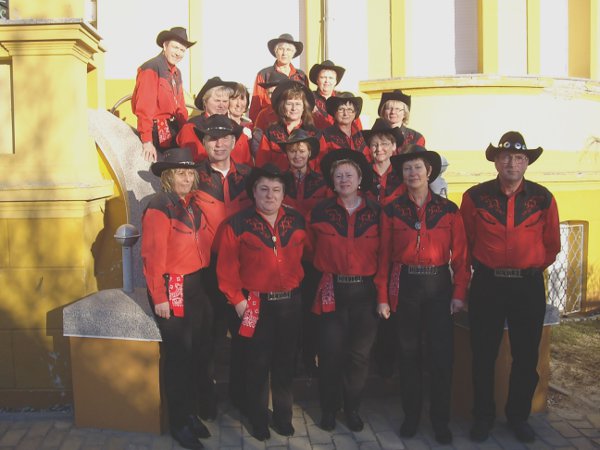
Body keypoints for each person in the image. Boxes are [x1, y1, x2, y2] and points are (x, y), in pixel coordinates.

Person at [460, 131, 560, 444]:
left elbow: (552, 245)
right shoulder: (474, 197)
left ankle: (518, 416)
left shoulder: (543, 198)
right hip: (487, 284)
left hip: (527, 286)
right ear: (496, 161)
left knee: (526, 357)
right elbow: (465, 242)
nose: (512, 163)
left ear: (527, 162)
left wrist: (528, 267)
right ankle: (483, 416)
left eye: (519, 158)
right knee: (483, 354)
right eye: (506, 157)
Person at [377, 145, 470, 444]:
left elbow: (461, 257)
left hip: (438, 285)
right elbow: (383, 256)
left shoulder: (449, 210)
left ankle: (440, 420)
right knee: (408, 353)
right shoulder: (391, 210)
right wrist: (382, 296)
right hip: (405, 283)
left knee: (441, 355)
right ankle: (411, 416)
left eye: (418, 167)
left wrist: (459, 292)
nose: (413, 173)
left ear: (429, 172)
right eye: (407, 169)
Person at [216, 164, 307, 441]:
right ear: (253, 192)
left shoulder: (297, 221)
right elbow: (226, 269)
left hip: (290, 303)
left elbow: (309, 255)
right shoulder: (237, 224)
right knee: (256, 364)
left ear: (284, 194)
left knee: (284, 363)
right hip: (255, 305)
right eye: (264, 189)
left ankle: (283, 417)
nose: (270, 195)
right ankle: (257, 419)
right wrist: (238, 302)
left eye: (276, 190)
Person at [308, 149, 388, 432]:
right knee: (330, 353)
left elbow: (384, 256)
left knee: (358, 356)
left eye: (349, 175)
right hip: (332, 289)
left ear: (360, 179)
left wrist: (382, 297)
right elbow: (309, 249)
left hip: (365, 292)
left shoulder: (377, 212)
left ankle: (352, 408)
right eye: (339, 175)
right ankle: (329, 409)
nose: (344, 180)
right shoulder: (320, 211)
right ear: (332, 181)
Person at [141, 147, 213, 450]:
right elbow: (152, 255)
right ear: (168, 176)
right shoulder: (160, 206)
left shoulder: (192, 205)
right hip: (173, 287)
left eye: (189, 173)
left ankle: (191, 412)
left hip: (196, 285)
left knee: (196, 353)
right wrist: (159, 296)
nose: (186, 178)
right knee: (179, 356)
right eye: (180, 173)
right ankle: (179, 422)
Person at [191, 114, 253, 413]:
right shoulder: (192, 176)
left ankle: (242, 397)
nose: (219, 144)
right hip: (205, 269)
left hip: (244, 268)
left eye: (225, 138)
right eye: (212, 138)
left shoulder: (250, 177)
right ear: (203, 143)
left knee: (244, 335)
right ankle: (206, 399)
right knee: (207, 337)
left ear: (234, 142)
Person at [278, 129, 330, 376]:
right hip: (285, 256)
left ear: (310, 153)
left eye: (302, 150)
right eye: (292, 150)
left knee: (311, 310)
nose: (297, 155)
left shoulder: (323, 182)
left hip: (313, 256)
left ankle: (310, 358)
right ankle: (288, 360)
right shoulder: (278, 180)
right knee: (288, 313)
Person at [132, 27, 195, 163]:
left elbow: (181, 107)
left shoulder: (177, 73)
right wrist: (147, 141)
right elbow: (144, 107)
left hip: (174, 129)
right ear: (165, 46)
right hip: (156, 131)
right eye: (175, 47)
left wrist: (187, 132)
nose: (178, 53)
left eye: (182, 50)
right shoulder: (151, 68)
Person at [177, 77, 253, 166]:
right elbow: (194, 161)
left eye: (225, 101)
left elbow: (246, 161)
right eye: (217, 101)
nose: (221, 105)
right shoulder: (192, 127)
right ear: (205, 102)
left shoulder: (234, 127)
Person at [256, 80, 323, 172]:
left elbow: (320, 166)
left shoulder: (315, 134)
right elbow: (261, 164)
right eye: (289, 104)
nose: (294, 108)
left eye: (298, 104)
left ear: (304, 107)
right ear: (282, 106)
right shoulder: (270, 133)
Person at [249, 33, 308, 121]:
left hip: (295, 123)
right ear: (275, 51)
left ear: (293, 53)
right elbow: (255, 105)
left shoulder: (301, 76)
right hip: (269, 121)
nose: (284, 53)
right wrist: (258, 125)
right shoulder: (264, 74)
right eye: (281, 49)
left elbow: (306, 103)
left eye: (288, 49)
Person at [322, 92, 367, 157]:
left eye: (349, 109)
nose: (345, 113)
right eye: (341, 109)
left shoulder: (361, 136)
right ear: (334, 112)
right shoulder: (325, 136)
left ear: (355, 113)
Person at [308, 60, 346, 129]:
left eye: (331, 78)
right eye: (323, 77)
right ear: (317, 80)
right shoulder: (309, 99)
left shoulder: (343, 99)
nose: (327, 81)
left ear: (335, 81)